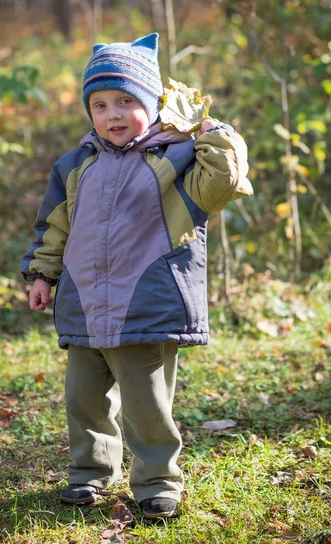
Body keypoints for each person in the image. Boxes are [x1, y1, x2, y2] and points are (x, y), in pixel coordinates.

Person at [20, 33, 253, 519]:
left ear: (152, 103)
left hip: (146, 304)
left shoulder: (175, 162)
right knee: (83, 400)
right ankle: (90, 474)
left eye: (127, 101)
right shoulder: (75, 164)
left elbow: (226, 179)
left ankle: (156, 481)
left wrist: (210, 128)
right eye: (100, 104)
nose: (113, 114)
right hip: (83, 303)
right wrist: (42, 274)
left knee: (146, 404)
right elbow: (53, 226)